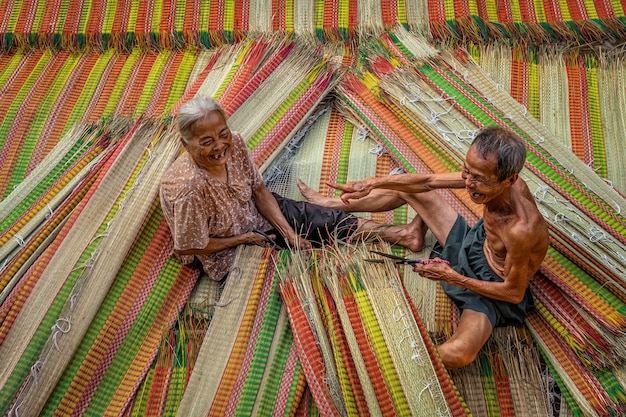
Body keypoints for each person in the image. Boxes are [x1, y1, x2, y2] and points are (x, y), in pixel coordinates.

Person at [298, 126, 550, 369]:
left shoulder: (521, 229)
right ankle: (336, 206)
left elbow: (513, 293)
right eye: (467, 171)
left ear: (510, 180)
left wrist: (454, 277)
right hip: (474, 246)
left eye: (480, 179)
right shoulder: (483, 177)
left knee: (459, 354)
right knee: (409, 187)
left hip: (492, 292)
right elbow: (428, 181)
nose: (469, 183)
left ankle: (388, 365)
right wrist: (373, 183)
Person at [159, 95, 423, 281]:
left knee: (323, 220)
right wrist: (244, 239)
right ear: (187, 145)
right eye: (207, 141)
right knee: (302, 268)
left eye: (222, 133)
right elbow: (188, 246)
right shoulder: (189, 188)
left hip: (256, 213)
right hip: (231, 248)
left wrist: (289, 232)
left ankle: (401, 234)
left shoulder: (235, 143)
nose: (219, 146)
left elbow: (259, 191)